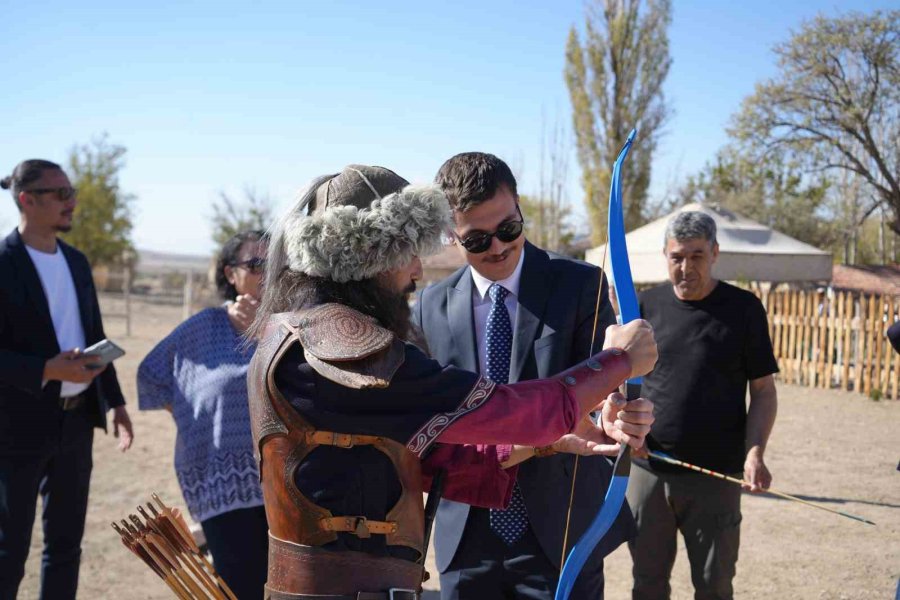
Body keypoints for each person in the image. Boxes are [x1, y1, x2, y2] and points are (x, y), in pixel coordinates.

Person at [245, 164, 658, 600]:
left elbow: (425, 455)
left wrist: (548, 441)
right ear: (372, 255)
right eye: (407, 252)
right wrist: (619, 360)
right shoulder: (345, 346)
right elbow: (509, 411)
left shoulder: (307, 334)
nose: (418, 270)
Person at [415, 151, 637, 600]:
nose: (497, 247)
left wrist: (618, 410)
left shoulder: (579, 284)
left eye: (508, 229)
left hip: (561, 529)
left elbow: (606, 384)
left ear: (518, 207)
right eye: (477, 239)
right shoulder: (429, 306)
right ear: (450, 235)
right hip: (466, 535)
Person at [0, 159, 134, 600]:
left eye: (70, 191)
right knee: (9, 549)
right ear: (27, 200)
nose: (71, 202)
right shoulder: (4, 263)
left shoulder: (76, 263)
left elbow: (94, 336)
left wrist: (114, 402)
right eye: (60, 194)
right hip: (16, 427)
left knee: (65, 546)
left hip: (76, 424)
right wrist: (45, 369)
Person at [628, 211, 779, 600]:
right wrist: (630, 432)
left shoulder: (743, 309)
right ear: (664, 254)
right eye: (677, 257)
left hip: (716, 476)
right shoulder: (644, 307)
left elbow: (763, 391)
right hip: (649, 470)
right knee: (647, 584)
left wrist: (755, 453)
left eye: (696, 256)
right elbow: (619, 384)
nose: (686, 267)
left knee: (714, 586)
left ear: (714, 252)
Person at [137, 229, 269, 599]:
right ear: (230, 274)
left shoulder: (295, 323)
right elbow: (152, 374)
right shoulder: (203, 329)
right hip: (224, 487)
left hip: (288, 489)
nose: (267, 272)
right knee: (241, 589)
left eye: (275, 263)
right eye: (256, 264)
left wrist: (268, 333)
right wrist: (198, 424)